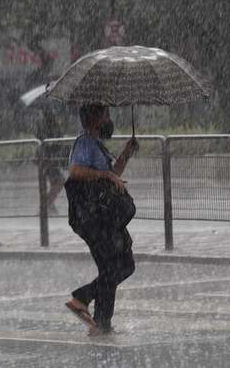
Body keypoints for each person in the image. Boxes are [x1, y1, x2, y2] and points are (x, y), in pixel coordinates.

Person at [65, 104, 139, 335]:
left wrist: (126, 152)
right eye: (107, 114)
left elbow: (113, 174)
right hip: (93, 219)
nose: (110, 119)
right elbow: (75, 171)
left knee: (119, 266)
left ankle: (99, 322)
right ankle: (83, 301)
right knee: (117, 266)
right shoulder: (85, 142)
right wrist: (104, 174)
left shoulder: (96, 144)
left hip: (105, 219)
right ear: (95, 118)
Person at [35, 105, 66, 215]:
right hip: (49, 158)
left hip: (47, 158)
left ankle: (48, 205)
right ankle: (46, 205)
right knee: (59, 181)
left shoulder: (43, 123)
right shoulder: (49, 125)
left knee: (55, 182)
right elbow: (52, 141)